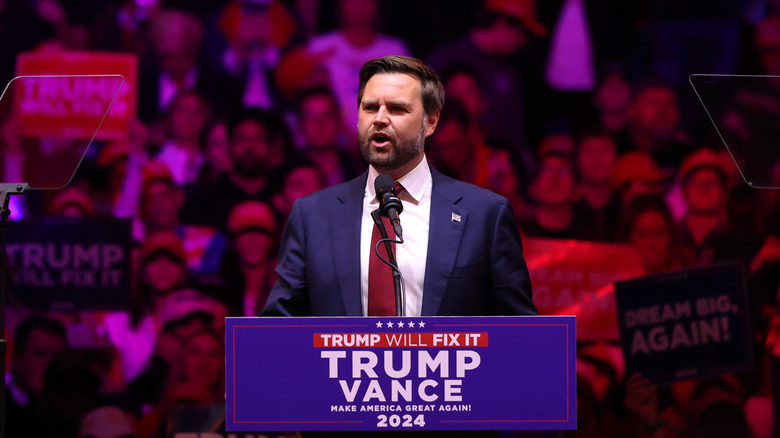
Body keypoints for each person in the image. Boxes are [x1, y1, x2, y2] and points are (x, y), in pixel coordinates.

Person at [262, 55, 536, 318]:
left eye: (397, 108)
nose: (380, 118)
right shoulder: (312, 216)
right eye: (370, 107)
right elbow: (277, 333)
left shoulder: (485, 214)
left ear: (430, 122)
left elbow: (522, 333)